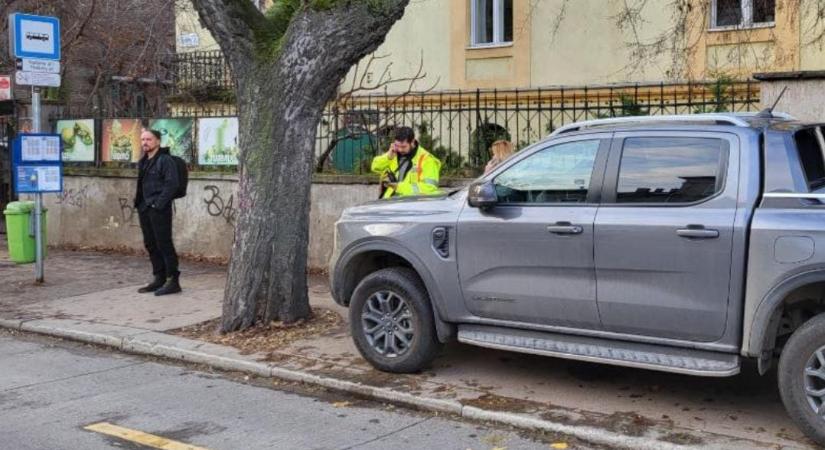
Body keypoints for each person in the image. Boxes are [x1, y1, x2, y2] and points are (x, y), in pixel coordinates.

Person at [134, 129, 181, 296]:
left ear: (158, 141)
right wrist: (141, 205)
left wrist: (158, 204)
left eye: (149, 139)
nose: (145, 142)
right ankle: (159, 277)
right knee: (150, 244)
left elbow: (172, 184)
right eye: (143, 139)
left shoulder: (165, 160)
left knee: (164, 243)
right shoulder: (144, 161)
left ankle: (173, 280)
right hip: (144, 208)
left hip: (159, 209)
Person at [371, 126, 442, 199]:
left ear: (412, 142)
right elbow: (375, 167)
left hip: (411, 205)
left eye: (403, 146)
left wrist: (398, 187)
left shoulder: (427, 159)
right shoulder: (393, 154)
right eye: (397, 146)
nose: (400, 149)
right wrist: (388, 157)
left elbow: (430, 188)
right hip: (389, 203)